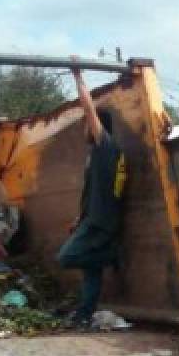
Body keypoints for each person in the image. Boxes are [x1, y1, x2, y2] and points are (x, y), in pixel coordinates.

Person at [57, 60, 127, 327]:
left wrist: (78, 76)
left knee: (67, 257)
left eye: (89, 126)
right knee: (91, 271)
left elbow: (88, 109)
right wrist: (79, 217)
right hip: (96, 218)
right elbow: (95, 190)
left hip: (99, 222)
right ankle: (86, 313)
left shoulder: (105, 147)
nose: (85, 130)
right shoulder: (100, 156)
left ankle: (111, 256)